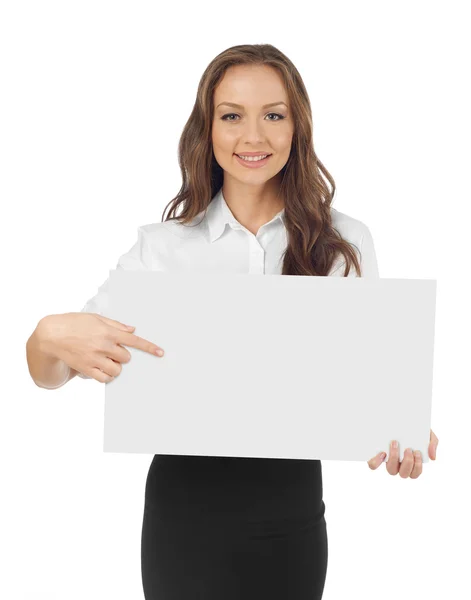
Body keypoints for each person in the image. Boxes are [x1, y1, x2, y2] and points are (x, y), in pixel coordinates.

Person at [26, 43, 438, 600]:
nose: (254, 137)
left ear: (297, 128)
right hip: (183, 517)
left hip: (290, 516)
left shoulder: (344, 242)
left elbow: (363, 384)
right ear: (207, 129)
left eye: (274, 115)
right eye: (231, 116)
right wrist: (47, 335)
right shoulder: (162, 248)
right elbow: (53, 373)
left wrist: (394, 423)